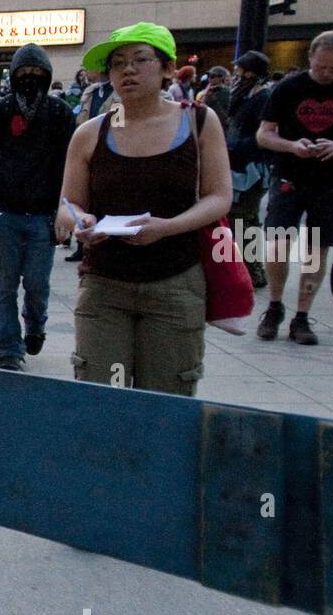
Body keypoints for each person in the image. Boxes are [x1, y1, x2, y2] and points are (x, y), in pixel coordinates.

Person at [56, 22, 231, 396]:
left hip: (175, 285)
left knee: (166, 401)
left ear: (168, 68)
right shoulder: (91, 132)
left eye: (140, 60)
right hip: (104, 288)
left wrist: (167, 227)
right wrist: (81, 221)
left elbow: (218, 197)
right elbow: (68, 204)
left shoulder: (198, 121)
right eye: (118, 63)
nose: (128, 70)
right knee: (102, 398)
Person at [255, 30, 333, 345]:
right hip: (289, 175)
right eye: (322, 66)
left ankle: (302, 316)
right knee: (277, 244)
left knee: (315, 250)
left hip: (332, 180)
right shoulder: (288, 88)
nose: (327, 74)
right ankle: (274, 305)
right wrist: (291, 145)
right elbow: (264, 134)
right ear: (311, 57)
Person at [0, 43, 75, 370]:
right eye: (23, 74)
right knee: (4, 287)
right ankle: (9, 348)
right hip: (6, 213)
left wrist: (68, 209)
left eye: (37, 74)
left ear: (47, 77)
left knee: (38, 285)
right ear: (13, 76)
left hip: (44, 216)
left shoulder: (60, 114)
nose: (30, 79)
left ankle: (35, 323)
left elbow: (72, 165)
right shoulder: (0, 112)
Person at [224, 50, 274, 288]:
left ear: (251, 72)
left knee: (243, 220)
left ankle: (253, 270)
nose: (235, 75)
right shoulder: (246, 95)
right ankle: (248, 268)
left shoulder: (263, 97)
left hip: (250, 169)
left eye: (239, 70)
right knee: (244, 219)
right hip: (237, 167)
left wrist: (235, 147)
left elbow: (265, 135)